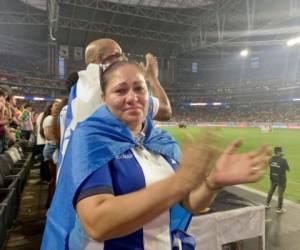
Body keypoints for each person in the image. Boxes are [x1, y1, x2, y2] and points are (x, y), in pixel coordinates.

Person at [42, 61, 271, 250]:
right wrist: (179, 181)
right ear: (103, 97)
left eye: (139, 88)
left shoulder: (161, 140)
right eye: (120, 90)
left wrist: (212, 183)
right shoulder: (91, 137)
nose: (132, 97)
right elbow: (98, 223)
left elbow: (189, 202)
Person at [58, 38, 172, 178]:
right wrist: (152, 78)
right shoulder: (105, 85)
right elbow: (166, 111)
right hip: (92, 184)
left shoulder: (79, 87)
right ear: (100, 59)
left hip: (69, 178)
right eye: (119, 54)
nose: (124, 59)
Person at [266, 146, 290, 213]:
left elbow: (270, 165)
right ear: (279, 152)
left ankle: (267, 204)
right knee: (280, 194)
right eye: (281, 151)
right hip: (281, 179)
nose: (282, 152)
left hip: (273, 177)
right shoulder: (283, 160)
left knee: (271, 190)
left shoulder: (271, 158)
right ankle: (279, 208)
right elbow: (288, 169)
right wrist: (281, 158)